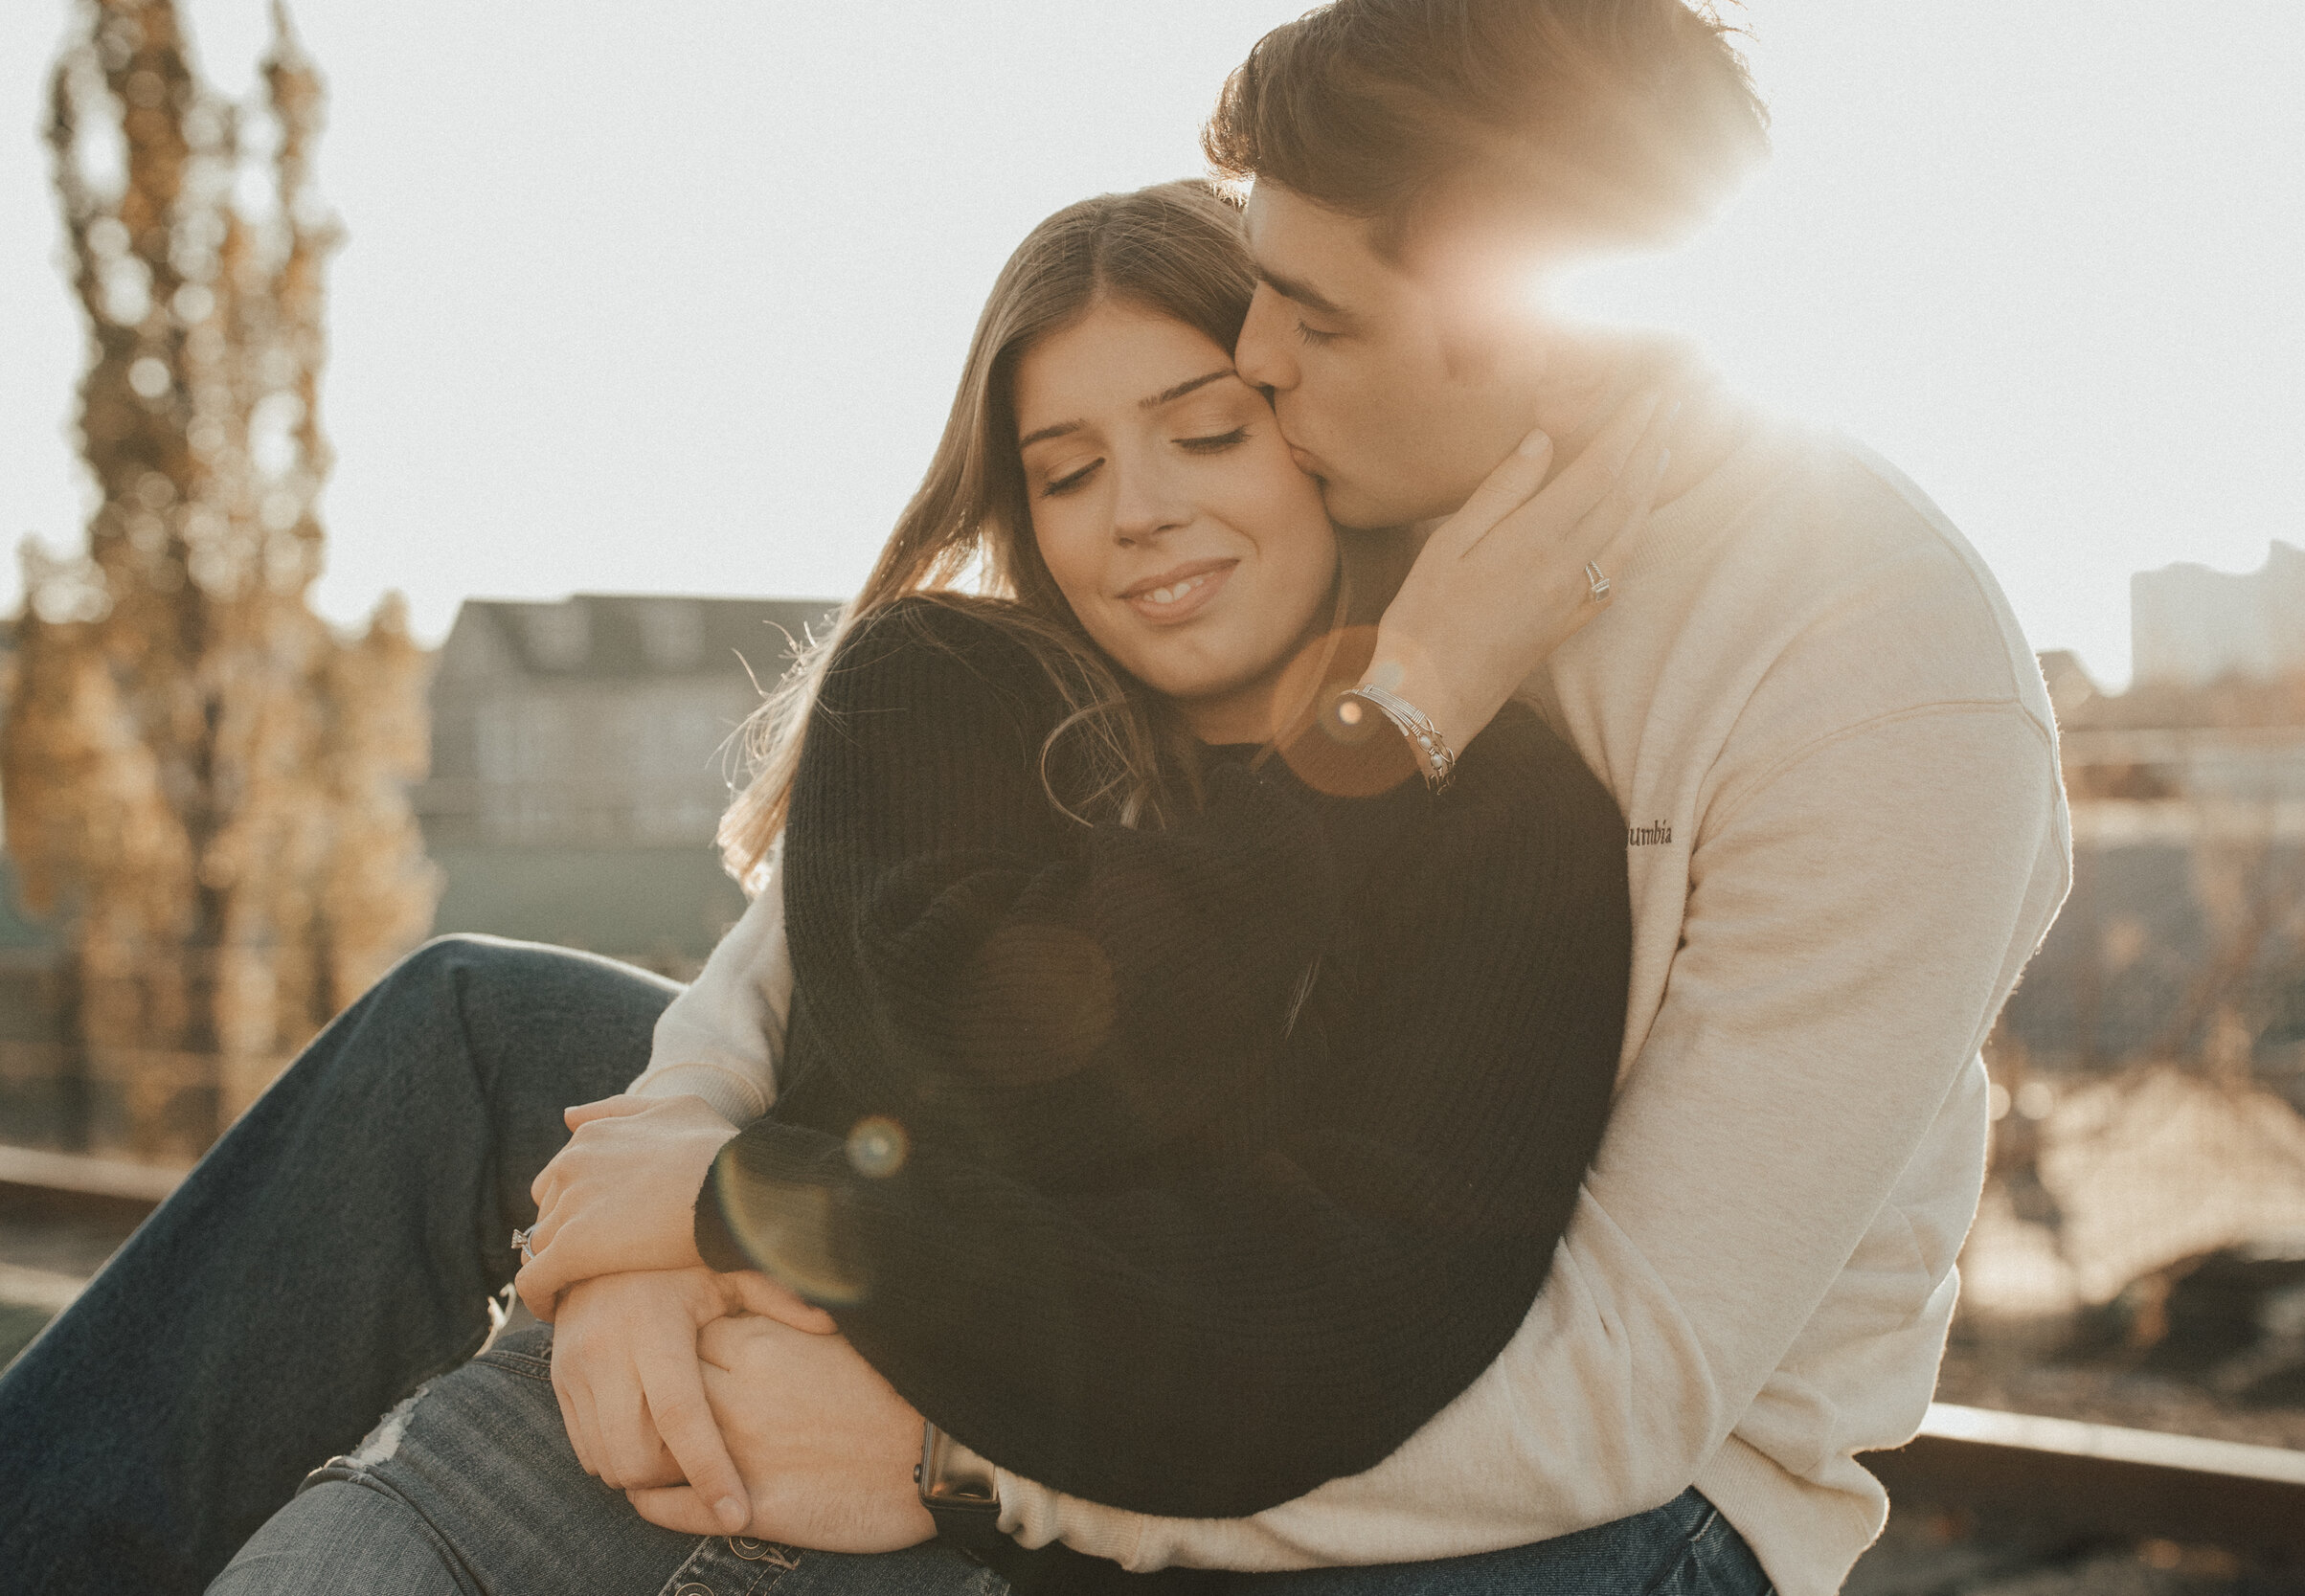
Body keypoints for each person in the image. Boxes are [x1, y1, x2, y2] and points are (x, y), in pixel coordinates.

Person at [524, 3, 2068, 1594]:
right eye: (1260, 290)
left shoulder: (1877, 675)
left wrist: (974, 1464)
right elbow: (880, 912)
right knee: (470, 1036)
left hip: (1591, 1500)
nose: (1254, 362)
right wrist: (667, 1198)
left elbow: (1618, 1392)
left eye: (1314, 320)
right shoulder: (1359, 466)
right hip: (1169, 1280)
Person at [192, 176, 1658, 1594]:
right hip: (528, 1481)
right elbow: (977, 1077)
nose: (1136, 511)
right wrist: (630, 1256)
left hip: (941, 1548)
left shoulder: (1516, 830)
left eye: (1207, 434)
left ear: (1317, 433)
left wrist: (722, 1199)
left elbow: (1306, 1334)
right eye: (1067, 471)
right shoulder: (941, 691)